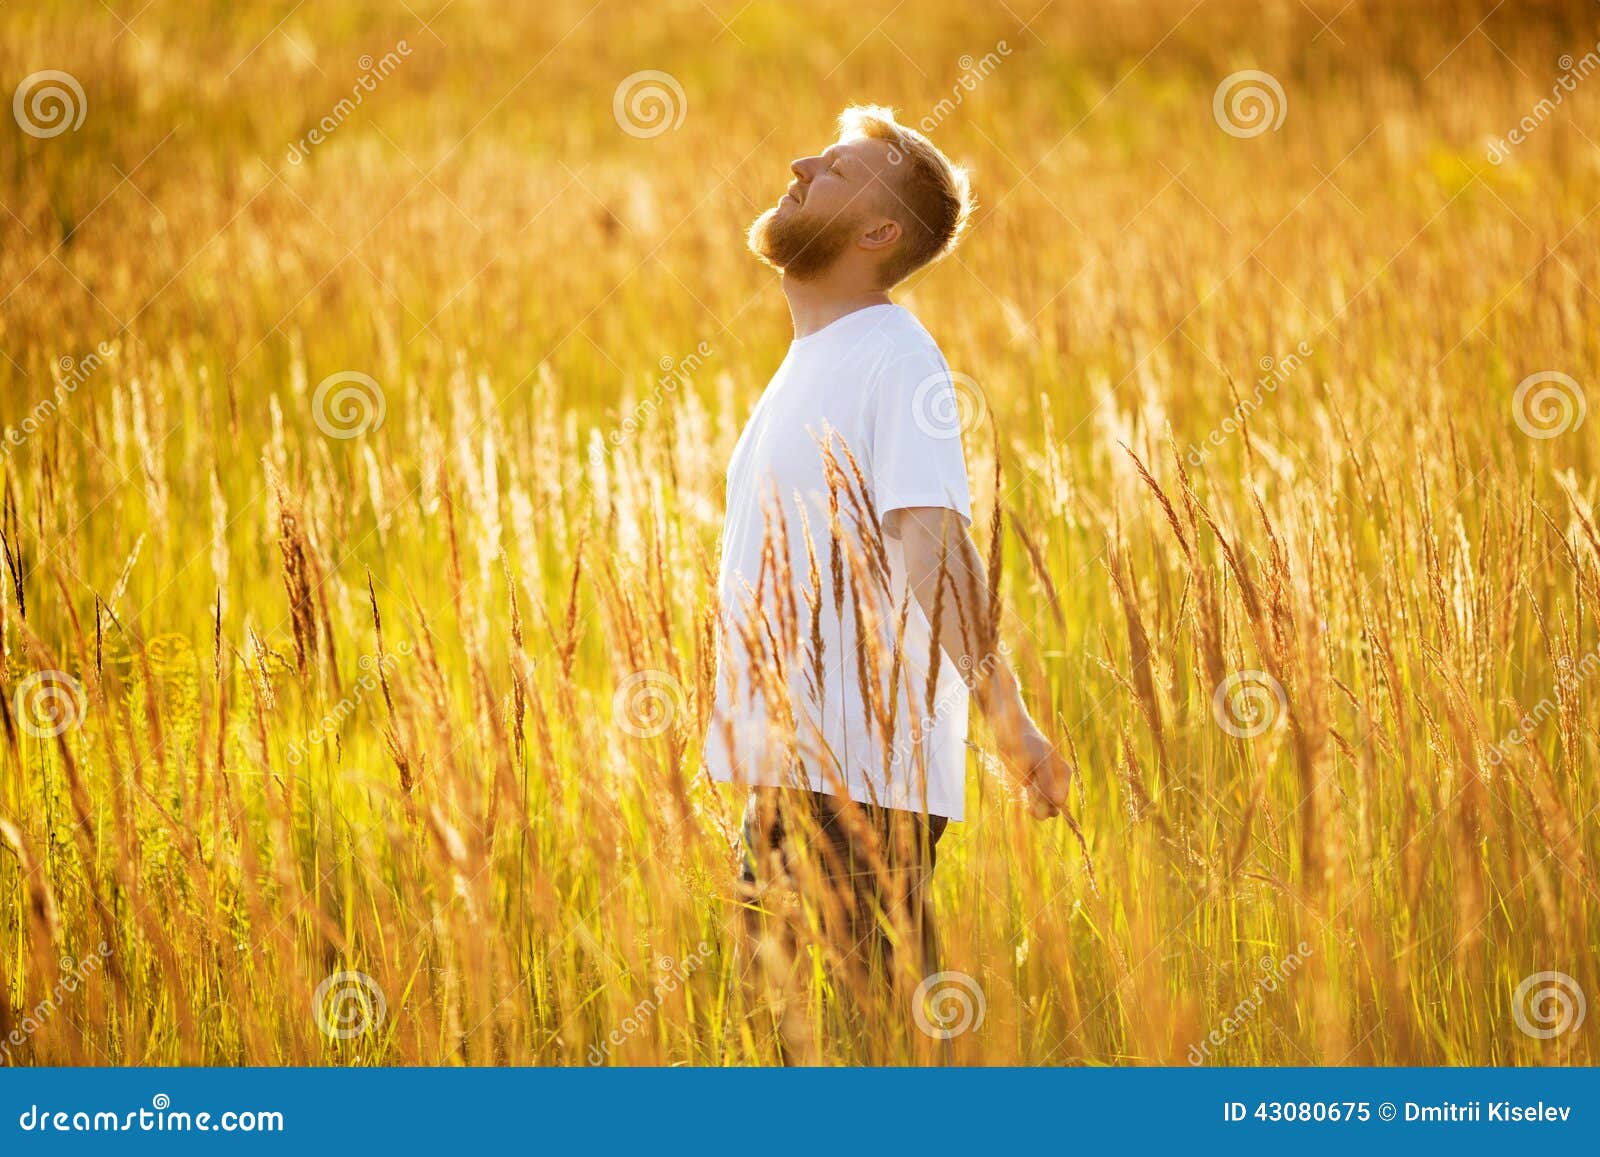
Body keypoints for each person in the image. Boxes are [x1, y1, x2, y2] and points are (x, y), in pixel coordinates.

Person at [704, 106, 1073, 1042]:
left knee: (871, 1058)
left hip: (856, 786)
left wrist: (1010, 720)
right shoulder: (808, 364)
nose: (797, 161)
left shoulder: (895, 354)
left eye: (831, 168)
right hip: (792, 779)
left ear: (878, 233)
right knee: (807, 1062)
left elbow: (932, 542)